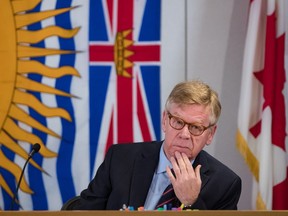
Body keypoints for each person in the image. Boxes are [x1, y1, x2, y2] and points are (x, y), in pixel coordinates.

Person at [72, 80, 242, 210]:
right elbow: (85, 211)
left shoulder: (225, 184)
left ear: (210, 134)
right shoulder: (120, 158)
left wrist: (190, 203)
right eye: (178, 122)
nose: (184, 134)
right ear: (164, 121)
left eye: (195, 127)